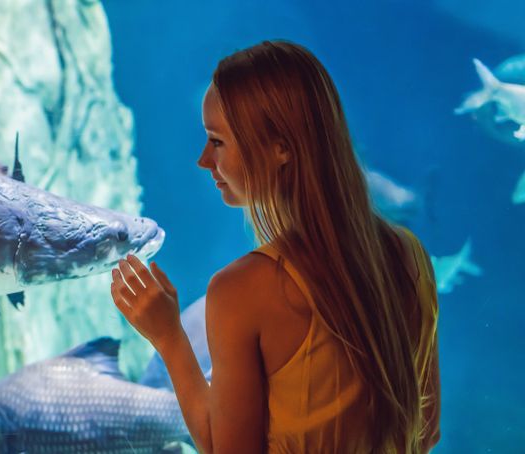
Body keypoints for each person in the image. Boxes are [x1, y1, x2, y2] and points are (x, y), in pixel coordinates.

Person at [111, 41, 440, 453]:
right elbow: (425, 429)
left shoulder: (242, 289)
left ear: (281, 148)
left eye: (217, 142)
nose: (202, 160)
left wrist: (169, 336)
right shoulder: (410, 256)